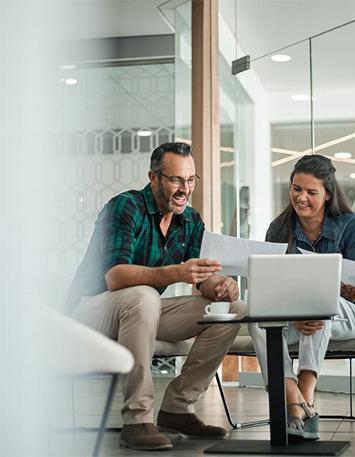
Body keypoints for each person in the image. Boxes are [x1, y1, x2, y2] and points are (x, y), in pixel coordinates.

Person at [65, 142, 246, 451]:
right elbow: (115, 276)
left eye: (190, 180)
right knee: (144, 295)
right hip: (90, 311)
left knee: (233, 308)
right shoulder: (125, 207)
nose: (184, 189)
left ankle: (177, 408)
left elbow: (197, 275)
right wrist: (178, 272)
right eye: (176, 180)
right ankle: (137, 419)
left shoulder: (189, 220)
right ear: (154, 177)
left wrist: (218, 286)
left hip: (139, 310)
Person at [249, 154, 355, 440]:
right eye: (297, 189)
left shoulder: (348, 224)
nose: (302, 198)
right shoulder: (279, 228)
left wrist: (346, 289)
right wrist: (293, 314)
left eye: (311, 192)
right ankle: (294, 400)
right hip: (299, 315)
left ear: (328, 193)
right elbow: (272, 285)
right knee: (256, 318)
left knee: (318, 305)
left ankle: (304, 395)